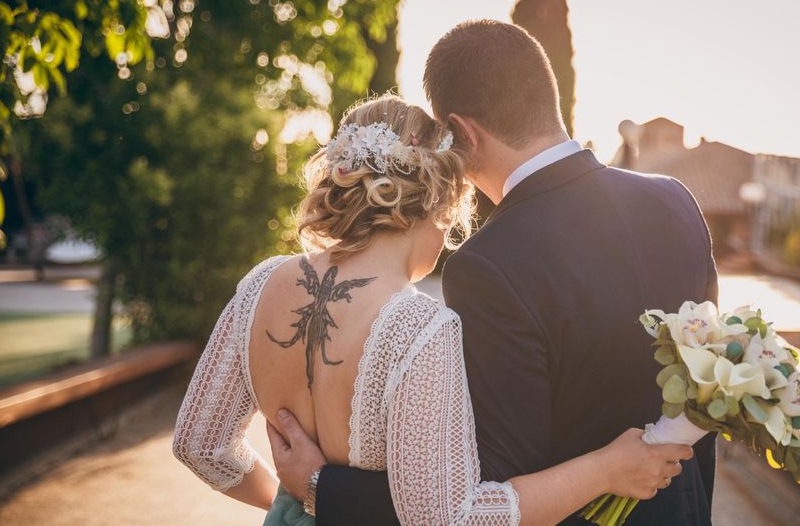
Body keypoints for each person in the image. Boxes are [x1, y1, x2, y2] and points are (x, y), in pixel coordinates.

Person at [269, 20, 719, 526]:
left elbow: (482, 490)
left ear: (463, 133)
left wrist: (320, 488)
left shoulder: (488, 264)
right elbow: (709, 395)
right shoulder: (675, 201)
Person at [172, 94, 693, 525]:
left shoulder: (261, 283)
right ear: (440, 203)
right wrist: (605, 469)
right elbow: (453, 518)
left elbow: (199, 444)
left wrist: (295, 504)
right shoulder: (418, 329)